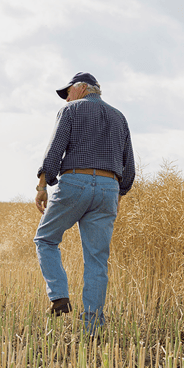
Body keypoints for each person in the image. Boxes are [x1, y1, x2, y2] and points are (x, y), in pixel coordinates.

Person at [33, 72, 135, 334]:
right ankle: (91, 327)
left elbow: (55, 150)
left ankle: (58, 296)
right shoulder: (119, 117)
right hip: (109, 188)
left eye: (67, 92)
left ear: (80, 88)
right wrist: (118, 194)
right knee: (97, 260)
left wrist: (43, 184)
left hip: (75, 182)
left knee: (45, 239)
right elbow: (129, 166)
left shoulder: (70, 111)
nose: (66, 98)